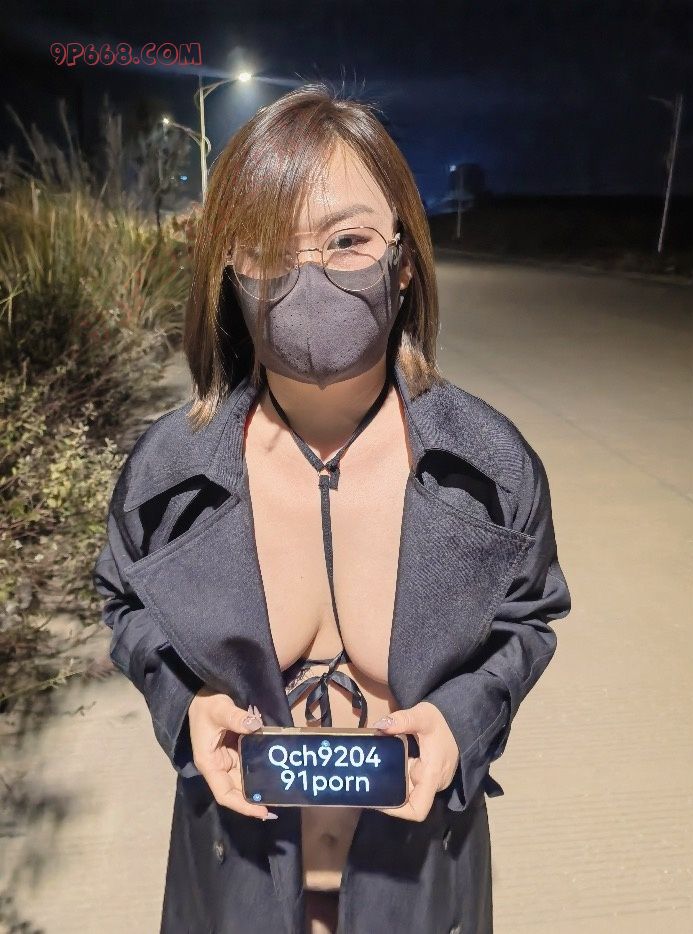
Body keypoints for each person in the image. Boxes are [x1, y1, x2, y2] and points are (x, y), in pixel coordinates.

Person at [93, 83, 571, 934]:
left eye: (348, 240)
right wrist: (185, 708)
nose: (309, 277)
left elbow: (529, 619)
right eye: (270, 250)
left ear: (404, 260)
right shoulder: (167, 476)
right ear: (229, 270)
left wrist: (461, 722)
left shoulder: (490, 470)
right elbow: (124, 604)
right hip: (232, 888)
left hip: (421, 891)